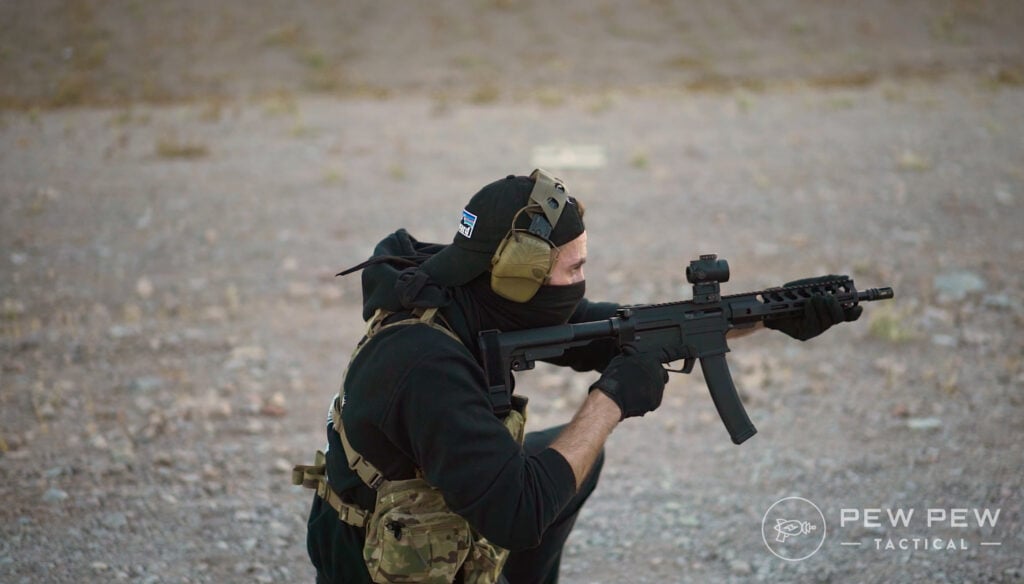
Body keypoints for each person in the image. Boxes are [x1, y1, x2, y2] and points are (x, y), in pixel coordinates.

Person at [294, 170, 861, 584]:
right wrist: (610, 400)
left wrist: (770, 313)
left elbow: (614, 330)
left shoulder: (466, 293)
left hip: (407, 521)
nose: (582, 281)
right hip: (370, 568)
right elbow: (516, 515)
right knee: (544, 482)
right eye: (575, 268)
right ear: (518, 273)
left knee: (569, 467)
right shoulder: (426, 364)